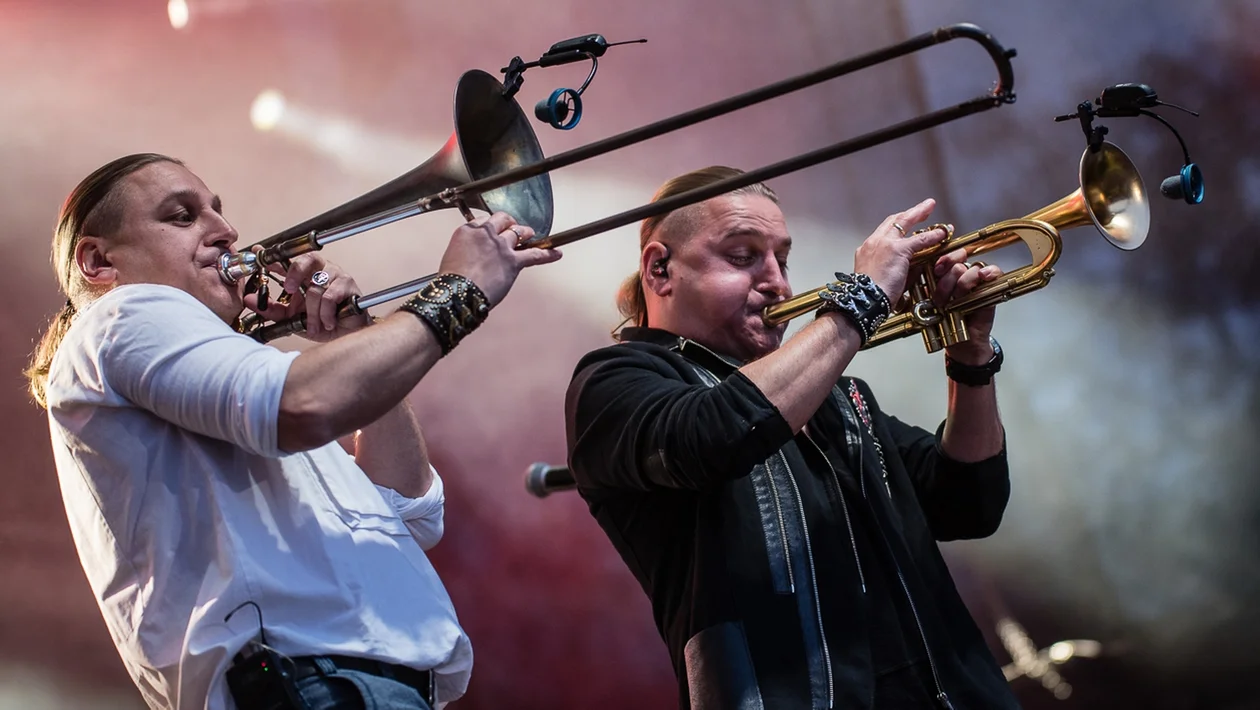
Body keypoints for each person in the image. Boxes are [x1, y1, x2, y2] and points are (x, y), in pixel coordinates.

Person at [25, 153, 560, 710]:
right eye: (182, 216)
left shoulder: (230, 373)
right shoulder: (122, 316)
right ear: (98, 261)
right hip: (312, 684)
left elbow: (409, 509)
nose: (226, 230)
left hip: (354, 686)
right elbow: (304, 403)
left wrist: (355, 334)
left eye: (217, 210)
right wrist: (458, 290)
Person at [564, 166, 1021, 709]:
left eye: (782, 260)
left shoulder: (840, 397)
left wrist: (971, 359)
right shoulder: (612, 382)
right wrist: (861, 300)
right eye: (742, 257)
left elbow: (969, 505)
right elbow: (715, 434)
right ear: (660, 268)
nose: (777, 283)